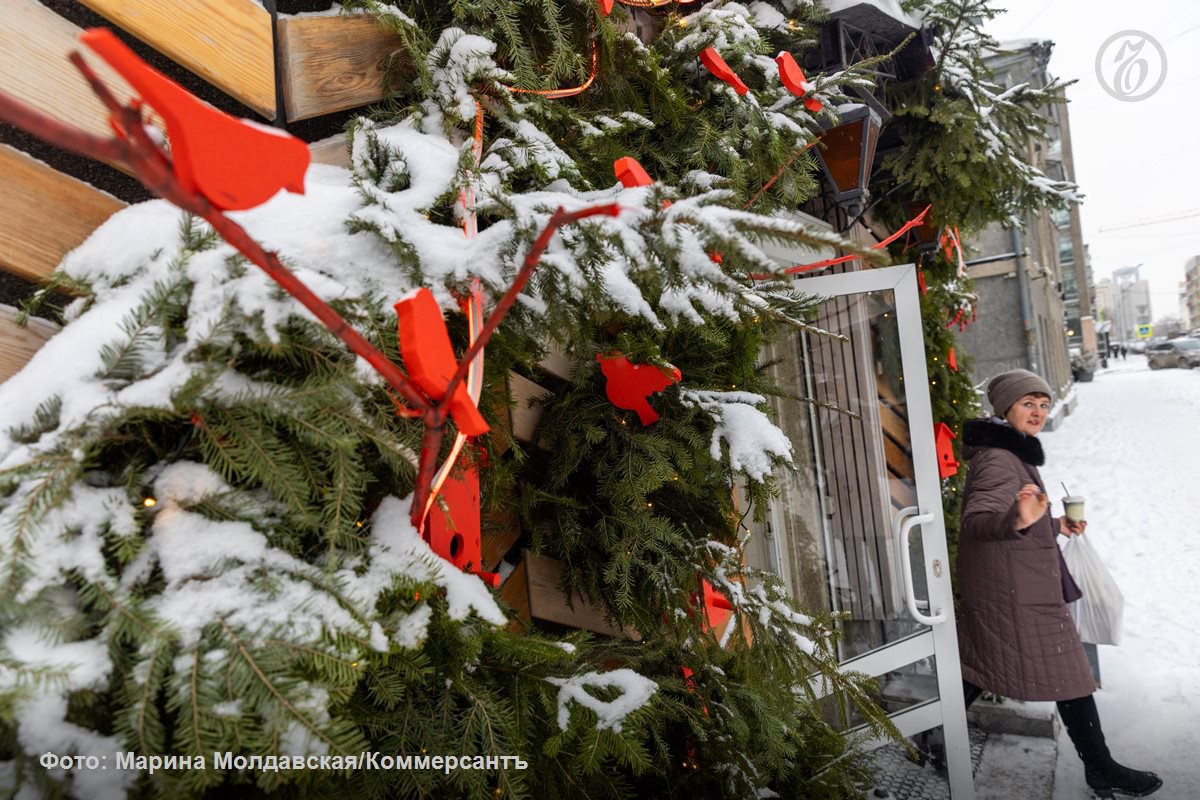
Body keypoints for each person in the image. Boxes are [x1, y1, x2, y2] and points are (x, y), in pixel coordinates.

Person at [954, 369, 1162, 797]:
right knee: (1071, 676)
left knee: (979, 667)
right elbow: (978, 523)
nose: (1038, 412)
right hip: (1014, 594)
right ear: (1005, 407)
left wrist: (1053, 525)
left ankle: (933, 737)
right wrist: (1018, 518)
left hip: (1013, 586)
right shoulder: (998, 457)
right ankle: (1101, 768)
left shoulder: (1010, 451)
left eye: (1044, 404)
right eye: (1028, 403)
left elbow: (1017, 523)